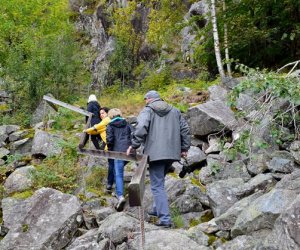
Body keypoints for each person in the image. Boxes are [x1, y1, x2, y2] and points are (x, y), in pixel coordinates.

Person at [127, 90, 191, 228]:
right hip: (172, 153)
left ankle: (165, 219)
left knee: (156, 185)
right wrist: (184, 148)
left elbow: (141, 127)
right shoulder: (174, 110)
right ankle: (157, 209)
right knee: (160, 182)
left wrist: (134, 145)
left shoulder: (148, 110)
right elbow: (185, 129)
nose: (145, 102)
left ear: (149, 99)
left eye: (145, 100)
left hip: (155, 154)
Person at [106, 108, 132, 211]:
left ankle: (120, 196)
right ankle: (117, 191)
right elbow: (133, 135)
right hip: (129, 152)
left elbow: (110, 140)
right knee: (117, 170)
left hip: (118, 152)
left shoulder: (110, 126)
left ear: (111, 116)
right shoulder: (127, 123)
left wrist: (110, 150)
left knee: (118, 174)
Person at [83, 107, 114, 191]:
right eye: (100, 114)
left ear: (107, 113)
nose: (101, 115)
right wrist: (89, 131)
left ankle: (110, 184)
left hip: (112, 147)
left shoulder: (107, 120)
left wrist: (86, 130)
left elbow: (97, 126)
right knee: (113, 165)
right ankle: (111, 183)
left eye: (103, 113)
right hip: (111, 147)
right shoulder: (106, 123)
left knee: (112, 165)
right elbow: (96, 130)